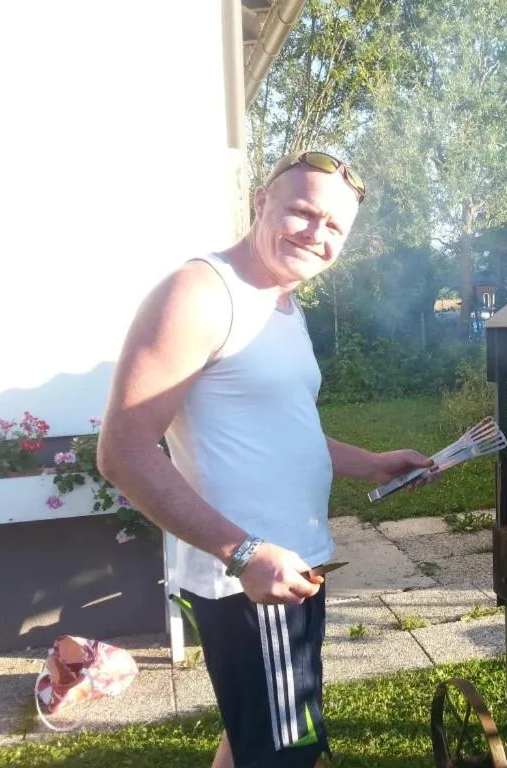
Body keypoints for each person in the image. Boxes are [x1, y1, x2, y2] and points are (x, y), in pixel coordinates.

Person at [97, 149, 435, 767]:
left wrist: (372, 460)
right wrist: (244, 553)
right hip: (254, 579)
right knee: (285, 754)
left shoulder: (281, 301)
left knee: (254, 734)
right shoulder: (199, 293)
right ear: (261, 202)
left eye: (335, 227)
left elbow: (284, 432)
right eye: (304, 213)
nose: (317, 235)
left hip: (288, 569)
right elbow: (121, 452)